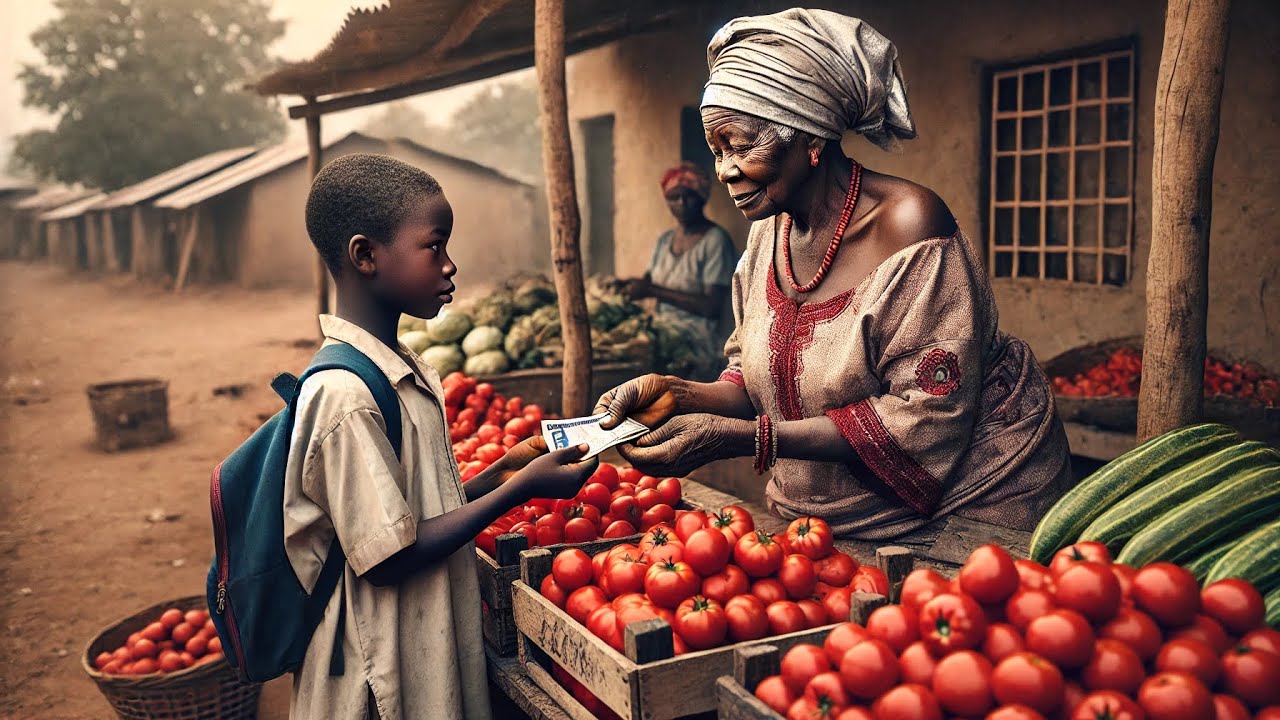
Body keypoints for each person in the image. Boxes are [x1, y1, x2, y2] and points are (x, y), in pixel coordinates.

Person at [596, 9, 1072, 540]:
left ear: (810, 138)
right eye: (717, 150)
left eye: (742, 145)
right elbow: (755, 381)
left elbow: (923, 416)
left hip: (978, 501)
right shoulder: (764, 240)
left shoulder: (909, 227)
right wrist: (677, 394)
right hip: (822, 518)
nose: (725, 170)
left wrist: (749, 439)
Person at [286, 154, 597, 720]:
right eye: (434, 246)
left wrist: (503, 469)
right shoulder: (344, 397)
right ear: (365, 256)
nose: (451, 265)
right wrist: (518, 490)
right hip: (375, 680)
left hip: (417, 651)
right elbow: (387, 557)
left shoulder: (400, 369)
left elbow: (414, 512)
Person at [617, 162, 738, 379]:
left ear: (702, 198)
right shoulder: (664, 241)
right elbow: (648, 282)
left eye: (688, 196)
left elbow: (711, 307)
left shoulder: (715, 241)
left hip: (700, 345)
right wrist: (624, 286)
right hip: (665, 336)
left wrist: (652, 290)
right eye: (674, 197)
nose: (681, 203)